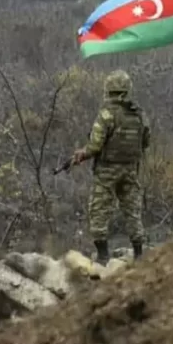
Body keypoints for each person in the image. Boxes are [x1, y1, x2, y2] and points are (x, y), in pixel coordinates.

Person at [71, 69, 151, 265]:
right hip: (130, 169)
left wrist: (82, 154)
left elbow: (95, 145)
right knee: (132, 211)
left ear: (108, 90)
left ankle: (103, 256)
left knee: (99, 210)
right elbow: (146, 142)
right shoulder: (139, 115)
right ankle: (139, 254)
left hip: (107, 171)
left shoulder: (106, 115)